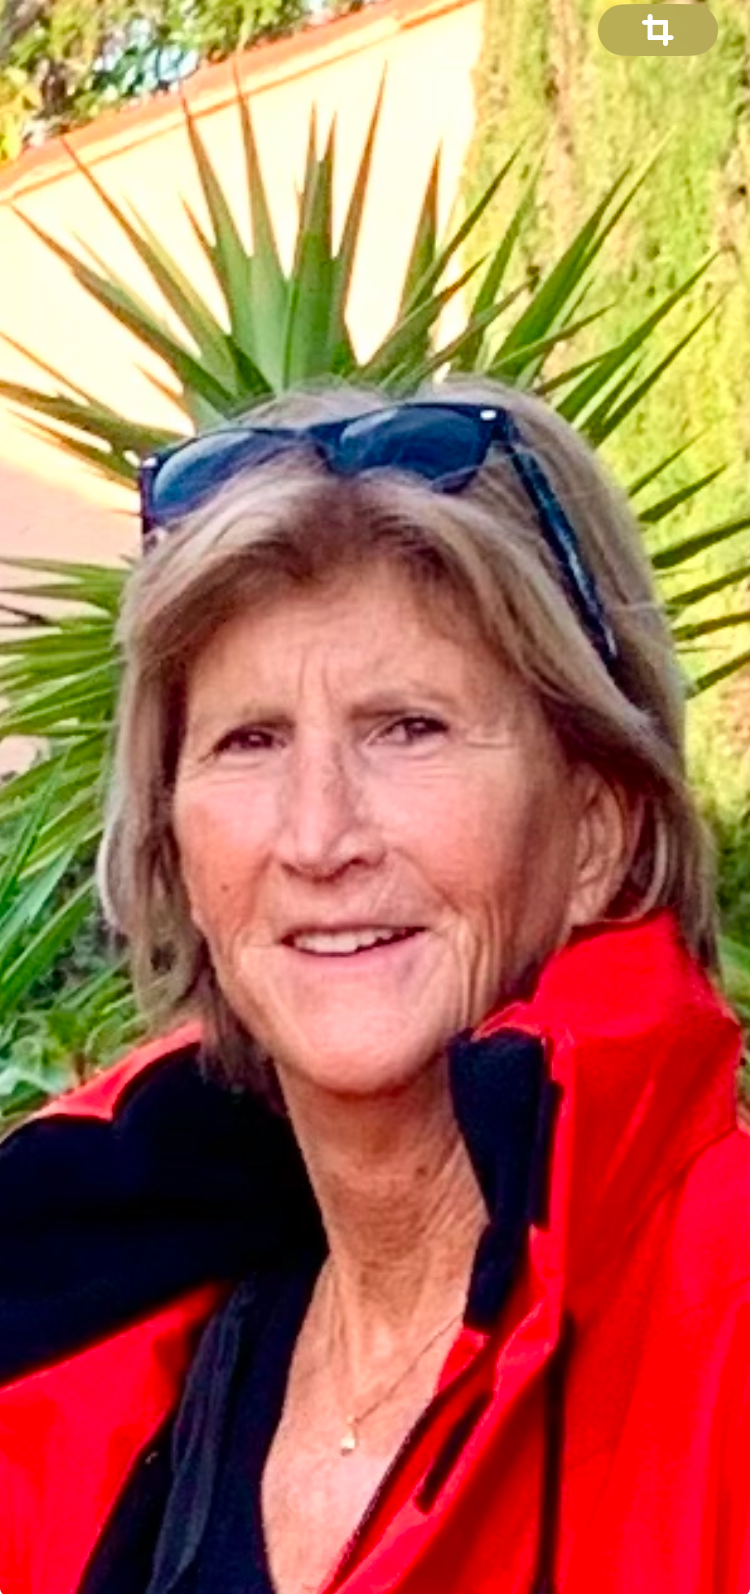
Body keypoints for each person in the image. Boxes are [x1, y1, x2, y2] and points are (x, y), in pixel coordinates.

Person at [1, 380, 748, 1594]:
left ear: (598, 830)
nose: (318, 835)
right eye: (250, 739)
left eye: (408, 728)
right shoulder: (72, 1352)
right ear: (178, 851)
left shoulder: (724, 1334)